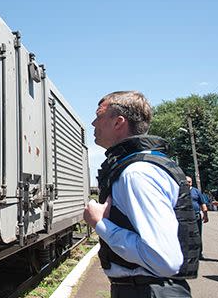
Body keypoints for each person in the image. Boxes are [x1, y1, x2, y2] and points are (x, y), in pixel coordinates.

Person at [83, 91, 199, 298]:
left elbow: (163, 259)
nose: (93, 123)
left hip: (148, 291)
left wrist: (100, 223)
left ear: (119, 122)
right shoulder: (141, 166)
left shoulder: (137, 173)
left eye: (99, 116)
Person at [186, 176, 209, 259]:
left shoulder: (196, 191)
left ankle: (199, 253)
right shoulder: (179, 190)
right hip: (184, 217)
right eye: (186, 182)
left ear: (191, 182)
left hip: (195, 216)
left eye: (189, 182)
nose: (188, 183)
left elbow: (202, 203)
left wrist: (205, 215)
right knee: (185, 235)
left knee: (197, 235)